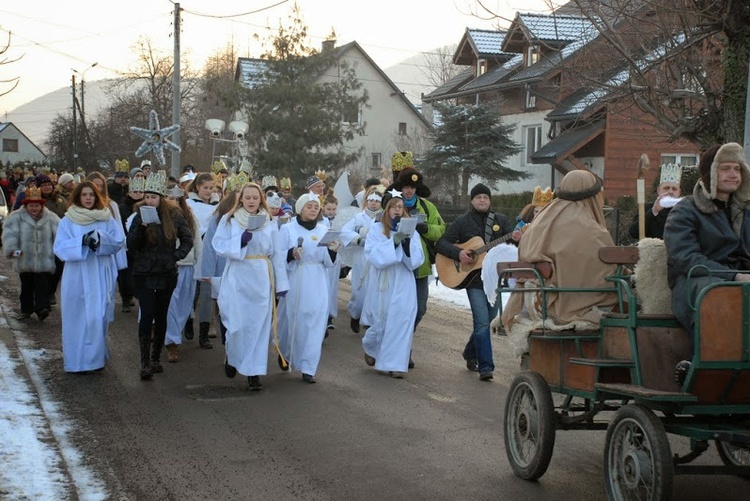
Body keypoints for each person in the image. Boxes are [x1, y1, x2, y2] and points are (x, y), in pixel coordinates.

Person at [501, 171, 617, 357]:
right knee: (626, 297)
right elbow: (606, 275)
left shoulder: (541, 219)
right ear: (592, 196)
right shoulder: (592, 231)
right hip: (568, 306)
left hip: (536, 301)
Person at [664, 143, 750, 381]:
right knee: (718, 293)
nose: (733, 174)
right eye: (725, 169)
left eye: (737, 168)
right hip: (694, 282)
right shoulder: (685, 211)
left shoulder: (745, 211)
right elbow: (685, 258)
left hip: (740, 279)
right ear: (710, 173)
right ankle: (699, 363)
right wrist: (734, 277)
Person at [212, 183, 289, 390]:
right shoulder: (231, 220)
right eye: (248, 197)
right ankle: (232, 356)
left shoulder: (269, 221)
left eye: (256, 197)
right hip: (238, 275)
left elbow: (278, 254)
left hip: (261, 276)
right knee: (237, 325)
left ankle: (254, 372)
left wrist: (281, 283)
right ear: (241, 199)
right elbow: (218, 245)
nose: (252, 201)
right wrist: (240, 241)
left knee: (258, 326)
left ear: (260, 199)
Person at [436, 183, 514, 381]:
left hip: (495, 281)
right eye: (478, 197)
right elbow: (442, 243)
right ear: (472, 200)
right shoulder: (462, 222)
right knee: (481, 323)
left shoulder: (501, 221)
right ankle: (486, 367)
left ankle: (470, 353)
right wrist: (459, 253)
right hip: (474, 282)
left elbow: (512, 245)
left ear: (490, 200)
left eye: (485, 198)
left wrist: (519, 238)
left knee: (487, 321)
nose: (482, 200)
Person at [127, 171, 193, 380]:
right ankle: (144, 361)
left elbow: (187, 240)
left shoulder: (174, 215)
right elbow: (131, 245)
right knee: (146, 314)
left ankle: (156, 358)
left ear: (161, 198)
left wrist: (175, 256)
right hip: (144, 272)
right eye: (147, 197)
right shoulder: (139, 215)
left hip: (166, 272)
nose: (150, 200)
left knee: (161, 314)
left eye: (154, 197)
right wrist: (141, 229)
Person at [53, 181, 125, 373]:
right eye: (84, 194)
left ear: (96, 197)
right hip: (77, 275)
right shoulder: (68, 221)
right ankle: (75, 361)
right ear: (78, 197)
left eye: (91, 195)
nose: (88, 198)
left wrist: (101, 242)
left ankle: (95, 360)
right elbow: (60, 247)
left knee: (96, 316)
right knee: (76, 317)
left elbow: (118, 242)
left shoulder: (106, 219)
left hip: (100, 272)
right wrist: (81, 242)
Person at [360, 189, 424, 378]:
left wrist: (405, 245)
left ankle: (395, 364)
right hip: (385, 280)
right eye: (394, 207)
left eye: (400, 207)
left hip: (404, 279)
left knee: (402, 320)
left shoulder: (412, 231)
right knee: (382, 321)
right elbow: (372, 254)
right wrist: (393, 244)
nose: (397, 210)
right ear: (386, 209)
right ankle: (371, 347)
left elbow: (417, 259)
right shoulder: (376, 229)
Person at [277, 192, 340, 384]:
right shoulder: (287, 229)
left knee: (315, 322)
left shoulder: (323, 229)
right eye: (308, 206)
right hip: (296, 277)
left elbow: (329, 262)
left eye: (315, 207)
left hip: (317, 280)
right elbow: (279, 256)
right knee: (293, 319)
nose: (313, 210)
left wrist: (332, 250)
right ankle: (286, 352)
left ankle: (308, 367)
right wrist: (291, 254)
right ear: (300, 209)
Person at [391, 168, 445, 359]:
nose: (409, 191)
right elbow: (380, 228)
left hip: (420, 268)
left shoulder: (427, 207)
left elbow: (441, 229)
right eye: (406, 186)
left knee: (420, 309)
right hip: (398, 268)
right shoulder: (392, 205)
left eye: (413, 187)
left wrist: (425, 228)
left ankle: (405, 342)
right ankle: (400, 349)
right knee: (399, 310)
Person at [3, 186, 60, 321]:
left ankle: (42, 308)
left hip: (44, 259)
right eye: (31, 206)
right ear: (26, 206)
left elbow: (60, 235)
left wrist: (59, 250)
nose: (34, 208)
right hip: (24, 258)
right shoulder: (16, 217)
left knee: (42, 284)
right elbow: (10, 235)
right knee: (26, 285)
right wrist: (14, 251)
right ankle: (26, 309)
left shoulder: (51, 218)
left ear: (41, 206)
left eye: (37, 206)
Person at [163, 185, 201, 363]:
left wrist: (198, 265)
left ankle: (174, 334)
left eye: (177, 199)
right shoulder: (159, 216)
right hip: (169, 267)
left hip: (188, 265)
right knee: (171, 303)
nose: (173, 202)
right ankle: (172, 342)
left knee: (185, 305)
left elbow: (196, 241)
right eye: (169, 198)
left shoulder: (189, 216)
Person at [341, 186, 382, 333]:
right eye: (371, 200)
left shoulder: (383, 218)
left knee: (375, 290)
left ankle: (369, 320)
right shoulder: (358, 217)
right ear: (366, 201)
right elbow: (345, 231)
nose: (373, 204)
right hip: (361, 257)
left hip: (376, 259)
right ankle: (355, 314)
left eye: (377, 201)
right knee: (360, 290)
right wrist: (357, 239)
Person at [185, 172, 220, 349]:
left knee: (207, 293)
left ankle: (204, 334)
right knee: (192, 291)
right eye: (205, 188)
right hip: (194, 251)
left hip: (210, 252)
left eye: (211, 188)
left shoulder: (218, 206)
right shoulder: (188, 204)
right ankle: (188, 321)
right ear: (197, 187)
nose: (208, 191)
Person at [629, 164, 682, 239]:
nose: (670, 191)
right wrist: (654, 211)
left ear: (679, 192)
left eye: (674, 189)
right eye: (666, 188)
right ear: (658, 190)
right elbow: (633, 233)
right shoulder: (647, 209)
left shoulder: (685, 210)